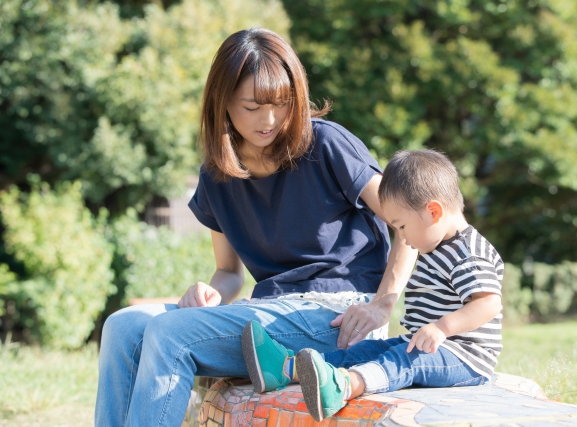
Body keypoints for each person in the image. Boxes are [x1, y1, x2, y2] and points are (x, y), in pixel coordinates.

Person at [94, 28, 417, 427]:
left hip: (337, 315)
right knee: (123, 325)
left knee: (170, 333)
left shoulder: (328, 145)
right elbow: (229, 274)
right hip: (269, 313)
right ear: (223, 102)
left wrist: (383, 303)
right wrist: (211, 292)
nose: (269, 120)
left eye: (281, 104)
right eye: (251, 107)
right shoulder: (217, 176)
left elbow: (409, 221)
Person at [242, 149, 504, 422]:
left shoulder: (469, 253)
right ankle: (286, 369)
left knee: (401, 361)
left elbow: (488, 302)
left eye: (401, 226)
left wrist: (442, 328)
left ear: (433, 212)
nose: (401, 237)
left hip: (465, 357)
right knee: (369, 351)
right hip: (428, 345)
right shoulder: (436, 245)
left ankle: (343, 386)